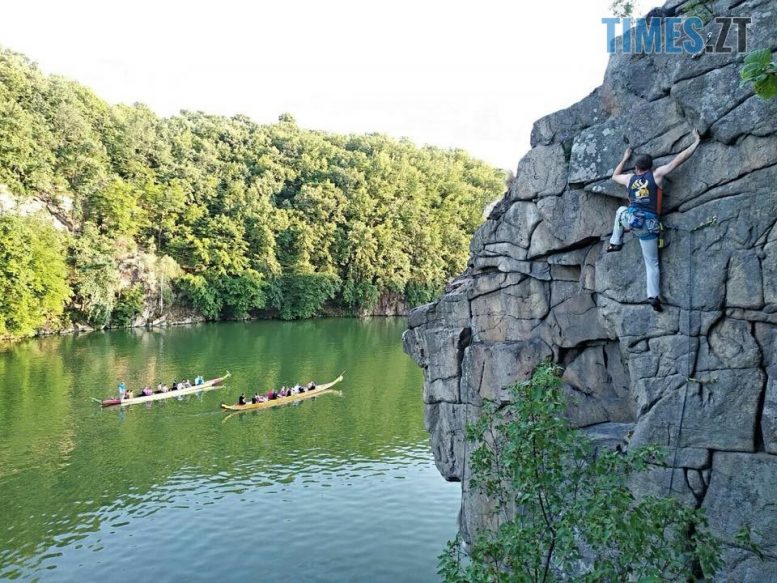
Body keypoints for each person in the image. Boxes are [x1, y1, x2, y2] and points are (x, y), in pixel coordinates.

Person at [608, 130, 702, 312]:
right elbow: (678, 160)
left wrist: (625, 158)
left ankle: (615, 242)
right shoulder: (656, 175)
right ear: (650, 167)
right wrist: (696, 142)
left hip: (632, 221)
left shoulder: (630, 178)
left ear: (637, 168)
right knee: (652, 264)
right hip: (649, 226)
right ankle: (653, 296)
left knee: (620, 211)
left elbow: (614, 176)